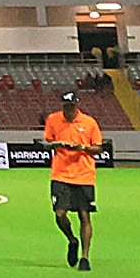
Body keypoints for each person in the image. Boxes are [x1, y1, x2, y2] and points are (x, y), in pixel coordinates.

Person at [43, 88, 107, 268]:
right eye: (66, 106)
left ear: (76, 105)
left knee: (84, 214)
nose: (68, 109)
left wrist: (82, 148)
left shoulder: (89, 122)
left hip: (83, 174)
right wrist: (56, 144)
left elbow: (99, 147)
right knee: (60, 213)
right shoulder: (53, 119)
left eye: (71, 106)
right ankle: (72, 239)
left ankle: (85, 257)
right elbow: (47, 142)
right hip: (61, 173)